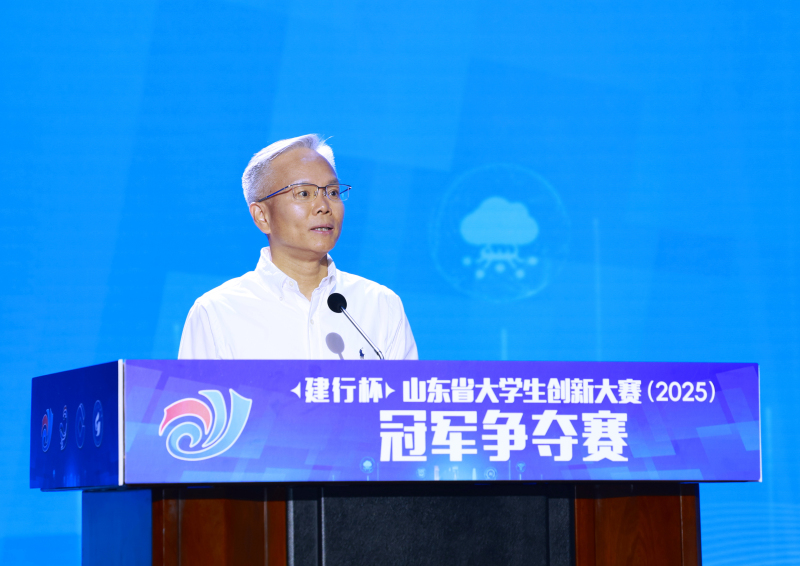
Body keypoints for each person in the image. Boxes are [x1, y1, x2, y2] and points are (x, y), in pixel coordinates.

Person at [178, 134, 418, 360]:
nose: (324, 206)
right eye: (304, 193)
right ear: (262, 216)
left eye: (333, 192)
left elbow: (406, 391)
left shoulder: (380, 306)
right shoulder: (217, 313)